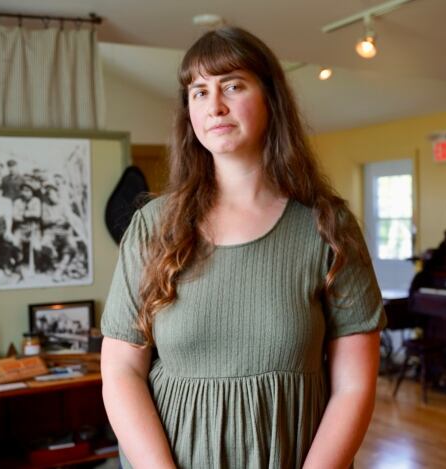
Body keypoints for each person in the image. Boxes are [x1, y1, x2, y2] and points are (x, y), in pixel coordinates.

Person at [100, 26, 386, 469]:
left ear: (271, 98)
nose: (214, 105)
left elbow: (354, 385)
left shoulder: (329, 228)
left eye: (232, 86)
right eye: (198, 92)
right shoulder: (152, 227)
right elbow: (121, 371)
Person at [40, 184, 79, 282]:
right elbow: (44, 221)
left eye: (52, 194)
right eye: (48, 195)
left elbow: (68, 220)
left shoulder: (64, 204)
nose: (50, 196)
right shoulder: (45, 205)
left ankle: (59, 270)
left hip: (64, 231)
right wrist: (57, 220)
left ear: (56, 194)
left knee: (71, 246)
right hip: (50, 231)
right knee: (44, 244)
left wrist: (55, 220)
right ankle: (54, 259)